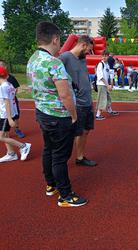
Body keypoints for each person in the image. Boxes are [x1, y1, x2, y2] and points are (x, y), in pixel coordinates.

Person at [27, 21, 87, 207]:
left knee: (49, 150)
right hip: (59, 116)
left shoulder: (33, 59)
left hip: (43, 112)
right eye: (59, 40)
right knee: (60, 156)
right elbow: (64, 94)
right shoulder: (54, 63)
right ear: (54, 39)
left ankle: (51, 185)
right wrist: (74, 115)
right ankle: (65, 195)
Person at [59, 35, 97, 167]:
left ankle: (80, 157)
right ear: (83, 45)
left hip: (87, 101)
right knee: (74, 133)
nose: (89, 53)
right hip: (77, 103)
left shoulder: (82, 59)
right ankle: (63, 161)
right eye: (88, 50)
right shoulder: (65, 57)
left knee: (86, 131)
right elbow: (55, 76)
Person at [0, 66, 31, 163]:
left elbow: (7, 102)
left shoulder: (3, 87)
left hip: (5, 115)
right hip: (8, 114)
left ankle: (23, 146)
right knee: (6, 134)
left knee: (2, 137)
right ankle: (11, 154)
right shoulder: (9, 84)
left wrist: (9, 118)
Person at [0, 60, 25, 138]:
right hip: (2, 102)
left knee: (15, 116)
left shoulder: (11, 78)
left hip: (10, 101)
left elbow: (16, 88)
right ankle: (5, 133)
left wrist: (11, 96)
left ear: (5, 67)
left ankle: (17, 129)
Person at [95, 51, 119, 120]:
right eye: (103, 56)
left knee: (108, 98)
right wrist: (107, 85)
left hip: (105, 84)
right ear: (101, 56)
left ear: (108, 56)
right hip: (101, 84)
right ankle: (98, 115)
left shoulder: (107, 65)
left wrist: (110, 84)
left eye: (106, 56)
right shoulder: (100, 64)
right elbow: (101, 77)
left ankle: (110, 110)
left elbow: (108, 75)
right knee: (102, 99)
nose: (104, 57)